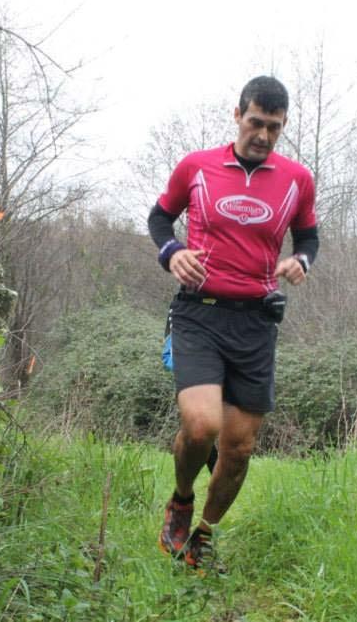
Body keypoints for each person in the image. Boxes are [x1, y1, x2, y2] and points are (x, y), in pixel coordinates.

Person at [147, 75, 320, 573]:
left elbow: (308, 237)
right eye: (256, 123)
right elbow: (160, 219)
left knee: (239, 448)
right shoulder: (197, 167)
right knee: (202, 426)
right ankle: (181, 502)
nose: (263, 136)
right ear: (237, 114)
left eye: (275, 128)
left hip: (256, 322)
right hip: (199, 311)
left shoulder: (296, 179)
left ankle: (203, 535)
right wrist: (172, 251)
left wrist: (302, 262)